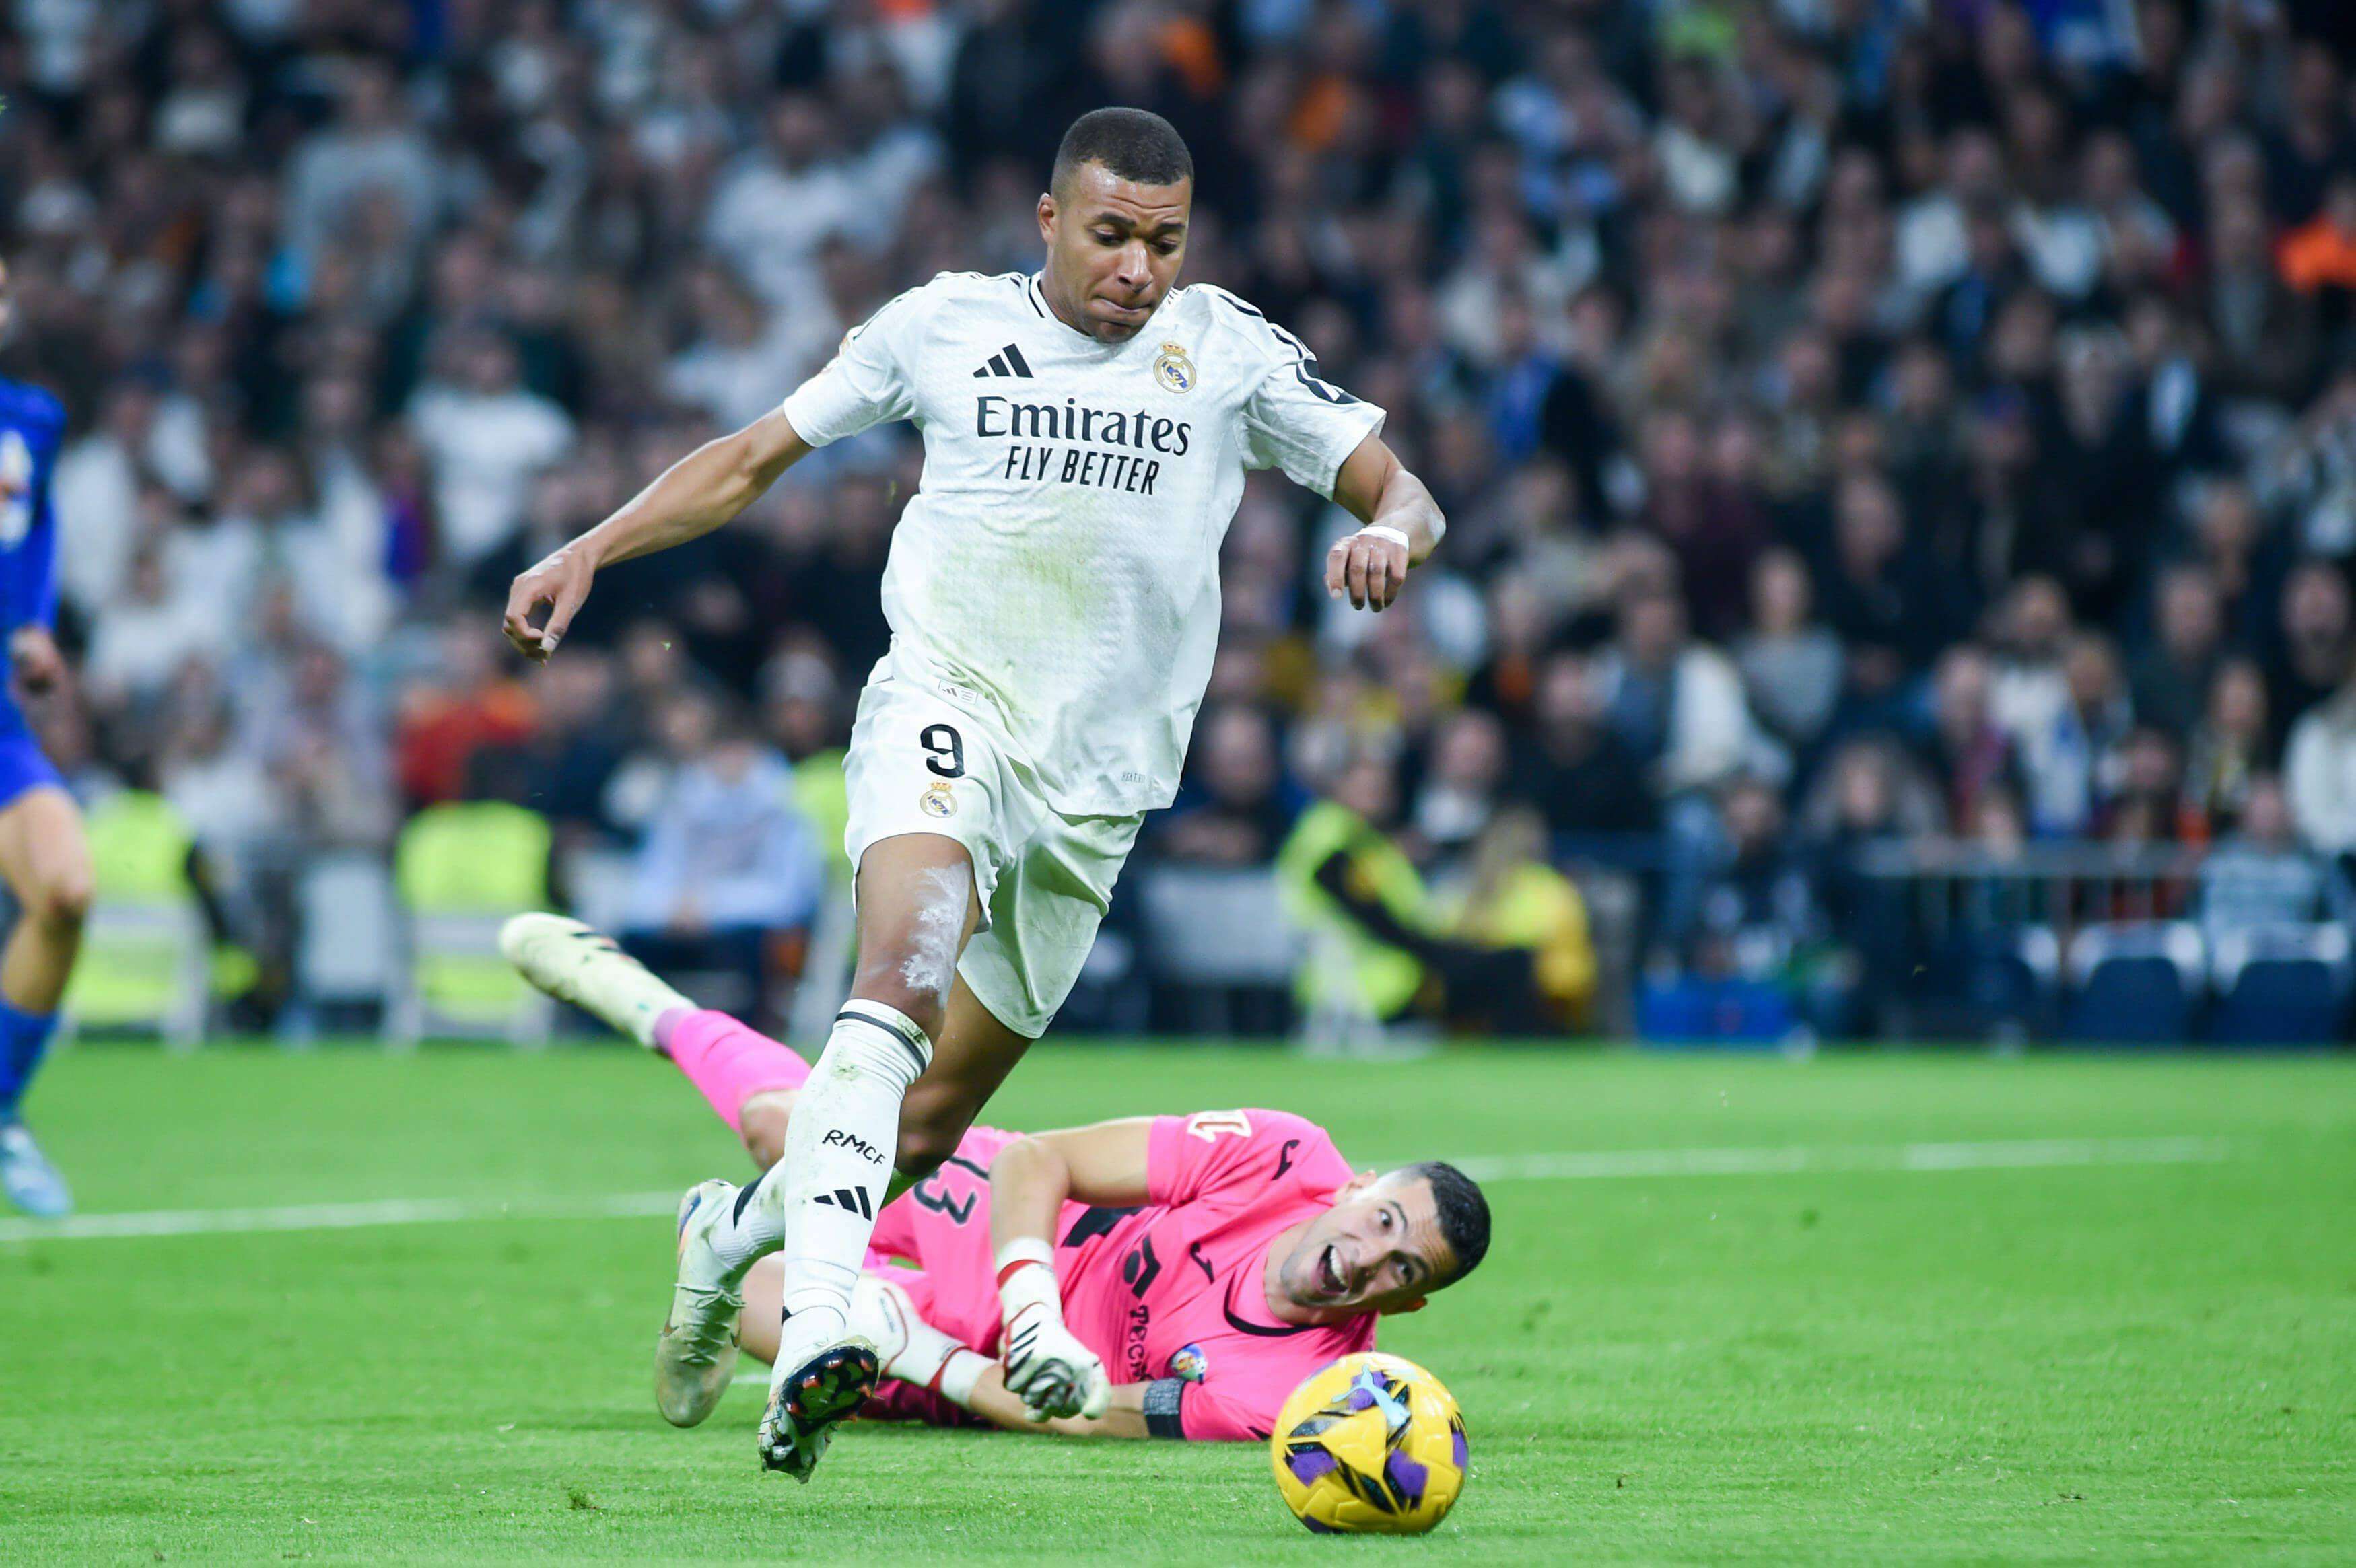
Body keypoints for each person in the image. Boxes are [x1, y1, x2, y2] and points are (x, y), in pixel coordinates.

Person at [498, 108, 1446, 1479]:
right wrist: (596, 545)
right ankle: (822, 1317)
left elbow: (1400, 484)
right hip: (948, 710)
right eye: (1112, 233)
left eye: (1164, 242)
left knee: (930, 1121)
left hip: (1097, 794)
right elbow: (754, 457)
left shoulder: (1227, 351)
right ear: (1049, 221)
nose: (1137, 267)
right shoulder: (939, 326)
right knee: (899, 972)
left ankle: (733, 1241)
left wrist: (1384, 530)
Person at [499, 913, 1490, 1443]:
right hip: (1013, 1228)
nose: (1369, 1259)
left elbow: (1089, 1413)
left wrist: (935, 1358)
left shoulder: (1286, 1395)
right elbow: (1038, 1158)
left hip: (982, 1359)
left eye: (1405, 1270)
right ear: (1356, 1186)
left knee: (788, 1307)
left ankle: (720, 1273)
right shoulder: (1281, 1156)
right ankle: (639, 1000)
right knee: (786, 1129)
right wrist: (1033, 1303)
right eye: (1385, 1219)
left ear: (1407, 1308)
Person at [0, 257, 95, 1218]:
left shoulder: (29, 417)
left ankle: (3, 1115)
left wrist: (33, 621)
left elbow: (37, 524)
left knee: (65, 889)